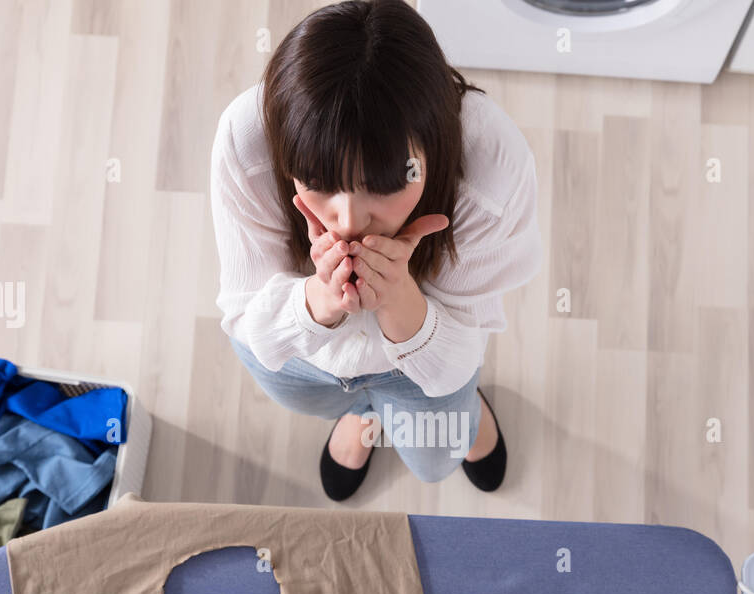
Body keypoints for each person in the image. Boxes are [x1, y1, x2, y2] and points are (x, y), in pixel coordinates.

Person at [210, 0, 542, 500]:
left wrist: (396, 297)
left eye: (382, 186)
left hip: (423, 359)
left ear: (433, 148)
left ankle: (456, 410)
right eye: (319, 182)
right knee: (313, 400)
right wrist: (320, 300)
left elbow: (459, 347)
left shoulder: (492, 170)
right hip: (304, 355)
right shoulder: (247, 139)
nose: (347, 222)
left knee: (433, 465)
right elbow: (245, 321)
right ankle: (364, 412)